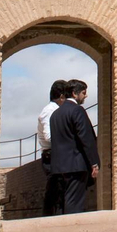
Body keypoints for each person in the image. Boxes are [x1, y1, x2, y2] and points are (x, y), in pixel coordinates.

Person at [50, 77, 99, 214]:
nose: (86, 96)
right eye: (83, 93)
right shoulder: (77, 110)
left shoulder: (55, 114)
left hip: (58, 167)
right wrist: (94, 163)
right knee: (74, 203)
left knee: (62, 203)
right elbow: (86, 138)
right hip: (76, 165)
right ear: (74, 94)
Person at [37, 80, 69, 216]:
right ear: (61, 96)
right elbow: (49, 136)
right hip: (52, 156)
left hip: (53, 155)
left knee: (57, 191)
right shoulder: (50, 112)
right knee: (55, 192)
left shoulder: (52, 110)